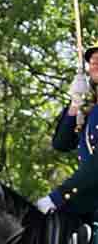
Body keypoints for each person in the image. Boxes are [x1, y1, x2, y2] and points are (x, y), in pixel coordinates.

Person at [37, 45, 98, 215]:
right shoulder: (91, 109)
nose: (95, 65)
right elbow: (61, 143)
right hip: (88, 201)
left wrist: (57, 197)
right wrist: (75, 103)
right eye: (93, 62)